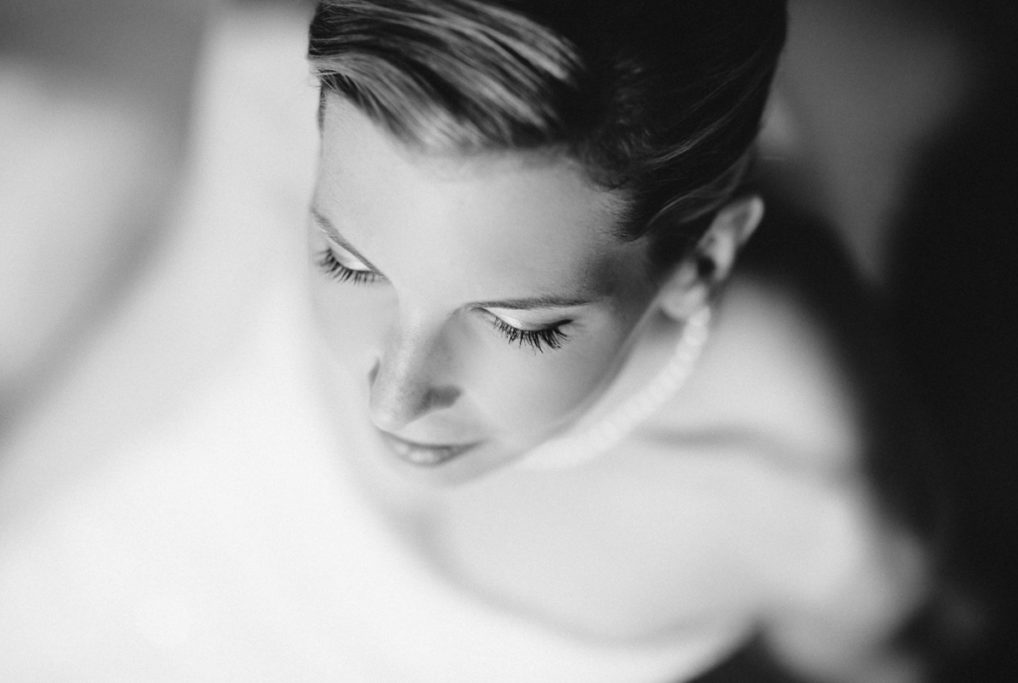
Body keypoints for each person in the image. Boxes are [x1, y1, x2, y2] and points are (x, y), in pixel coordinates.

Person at [304, 1, 937, 680]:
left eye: (522, 325)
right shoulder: (292, 89)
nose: (392, 403)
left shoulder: (804, 509)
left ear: (702, 262)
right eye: (349, 263)